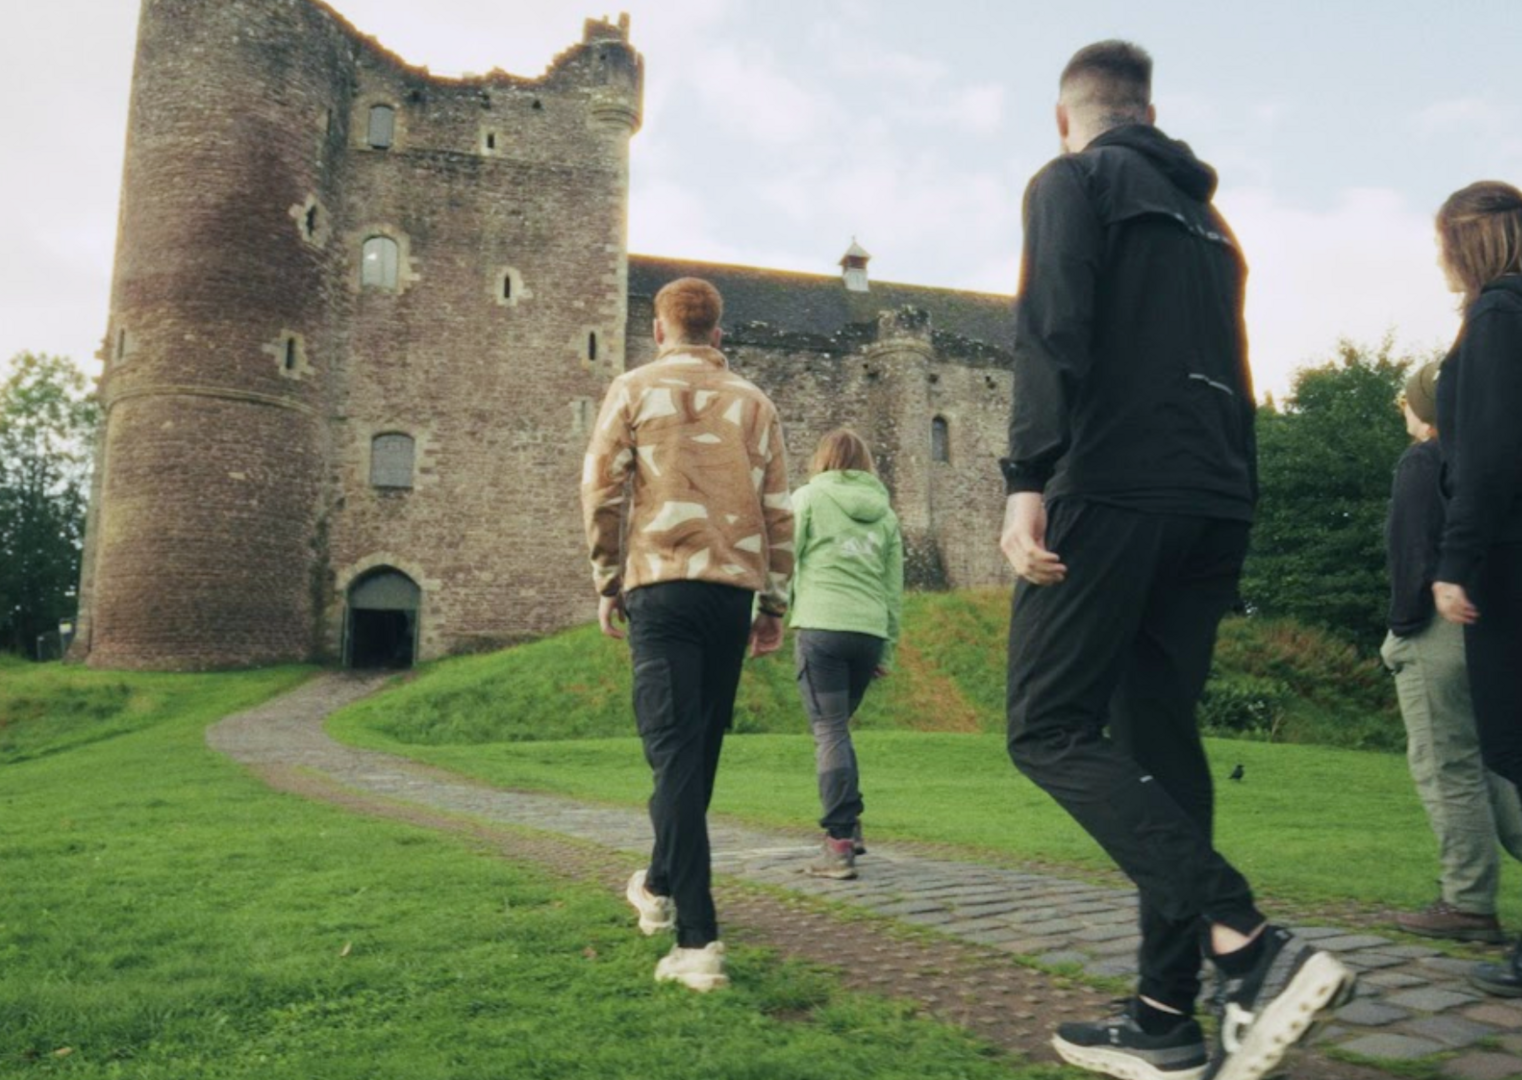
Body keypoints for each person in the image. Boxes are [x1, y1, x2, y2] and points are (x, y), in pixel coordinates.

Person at [999, 40, 1355, 1080]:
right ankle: (1163, 1016)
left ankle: (1248, 945)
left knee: (1047, 727)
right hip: (1212, 498)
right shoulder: (1212, 227)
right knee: (1156, 742)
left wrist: (1028, 478)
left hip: (1113, 486)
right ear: (1148, 112)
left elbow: (1050, 330)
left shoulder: (1068, 182)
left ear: (1065, 117)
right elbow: (1237, 373)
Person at [580, 277, 794, 992]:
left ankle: (698, 943)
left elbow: (602, 489)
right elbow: (778, 509)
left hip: (662, 585)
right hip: (730, 596)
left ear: (660, 328)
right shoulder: (755, 403)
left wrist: (608, 579)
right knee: (694, 754)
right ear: (719, 333)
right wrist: (774, 603)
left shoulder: (633, 388)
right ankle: (661, 882)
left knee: (675, 754)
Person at [1382, 359, 1522, 944]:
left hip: (1437, 628)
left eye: (1408, 402)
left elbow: (1414, 554)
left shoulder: (1424, 459)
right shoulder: (1489, 456)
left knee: (1445, 765)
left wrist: (1401, 630)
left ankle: (1467, 903)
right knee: (1492, 769)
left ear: (1424, 406)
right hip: (1487, 623)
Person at [1430, 180, 1522, 998]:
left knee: (1513, 746)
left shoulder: (1497, 315)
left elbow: (1487, 454)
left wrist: (1455, 559)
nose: (1439, 259)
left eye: (1444, 243)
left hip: (1509, 562)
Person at [788, 428, 904, 879]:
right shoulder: (887, 516)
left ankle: (837, 843)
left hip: (822, 626)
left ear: (822, 460)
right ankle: (850, 826)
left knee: (829, 731)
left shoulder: (809, 498)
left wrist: (766, 612)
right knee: (838, 730)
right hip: (867, 633)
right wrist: (886, 648)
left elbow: (785, 558)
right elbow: (893, 590)